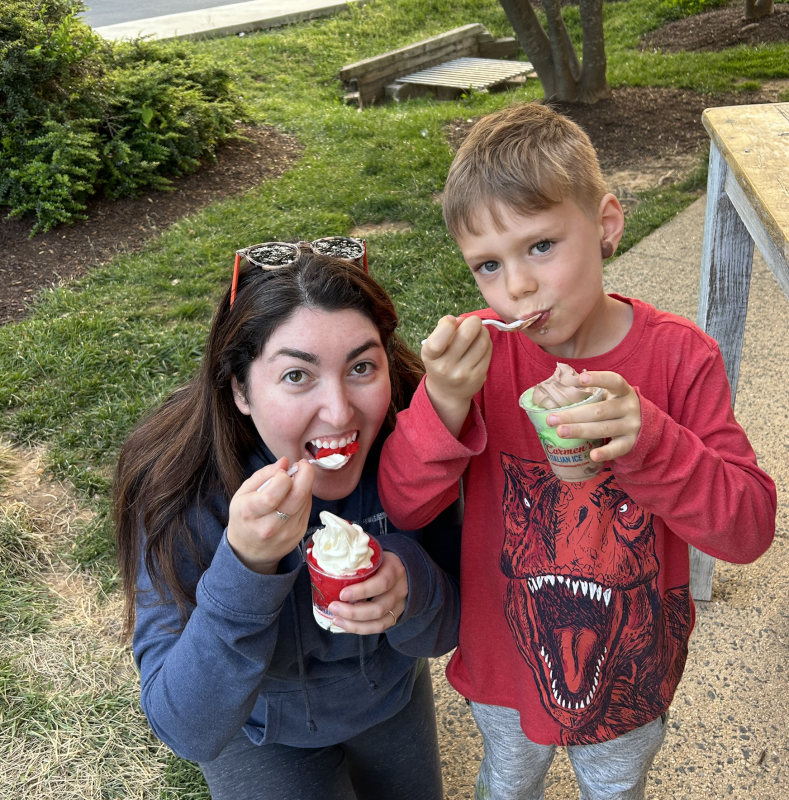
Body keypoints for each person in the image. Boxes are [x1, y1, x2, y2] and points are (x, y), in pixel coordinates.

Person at [377, 103, 777, 800]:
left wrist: (649, 439)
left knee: (614, 788)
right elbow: (403, 502)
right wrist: (441, 404)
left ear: (606, 226)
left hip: (630, 672)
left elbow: (745, 530)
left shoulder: (679, 358)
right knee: (505, 782)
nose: (517, 286)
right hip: (504, 663)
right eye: (486, 265)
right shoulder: (479, 358)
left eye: (539, 246)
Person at [114, 243, 461, 800]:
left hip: (387, 698)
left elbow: (453, 626)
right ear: (240, 390)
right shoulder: (180, 489)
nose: (340, 411)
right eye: (297, 375)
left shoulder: (415, 451)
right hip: (255, 728)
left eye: (362, 366)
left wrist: (410, 586)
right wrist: (246, 565)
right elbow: (186, 726)